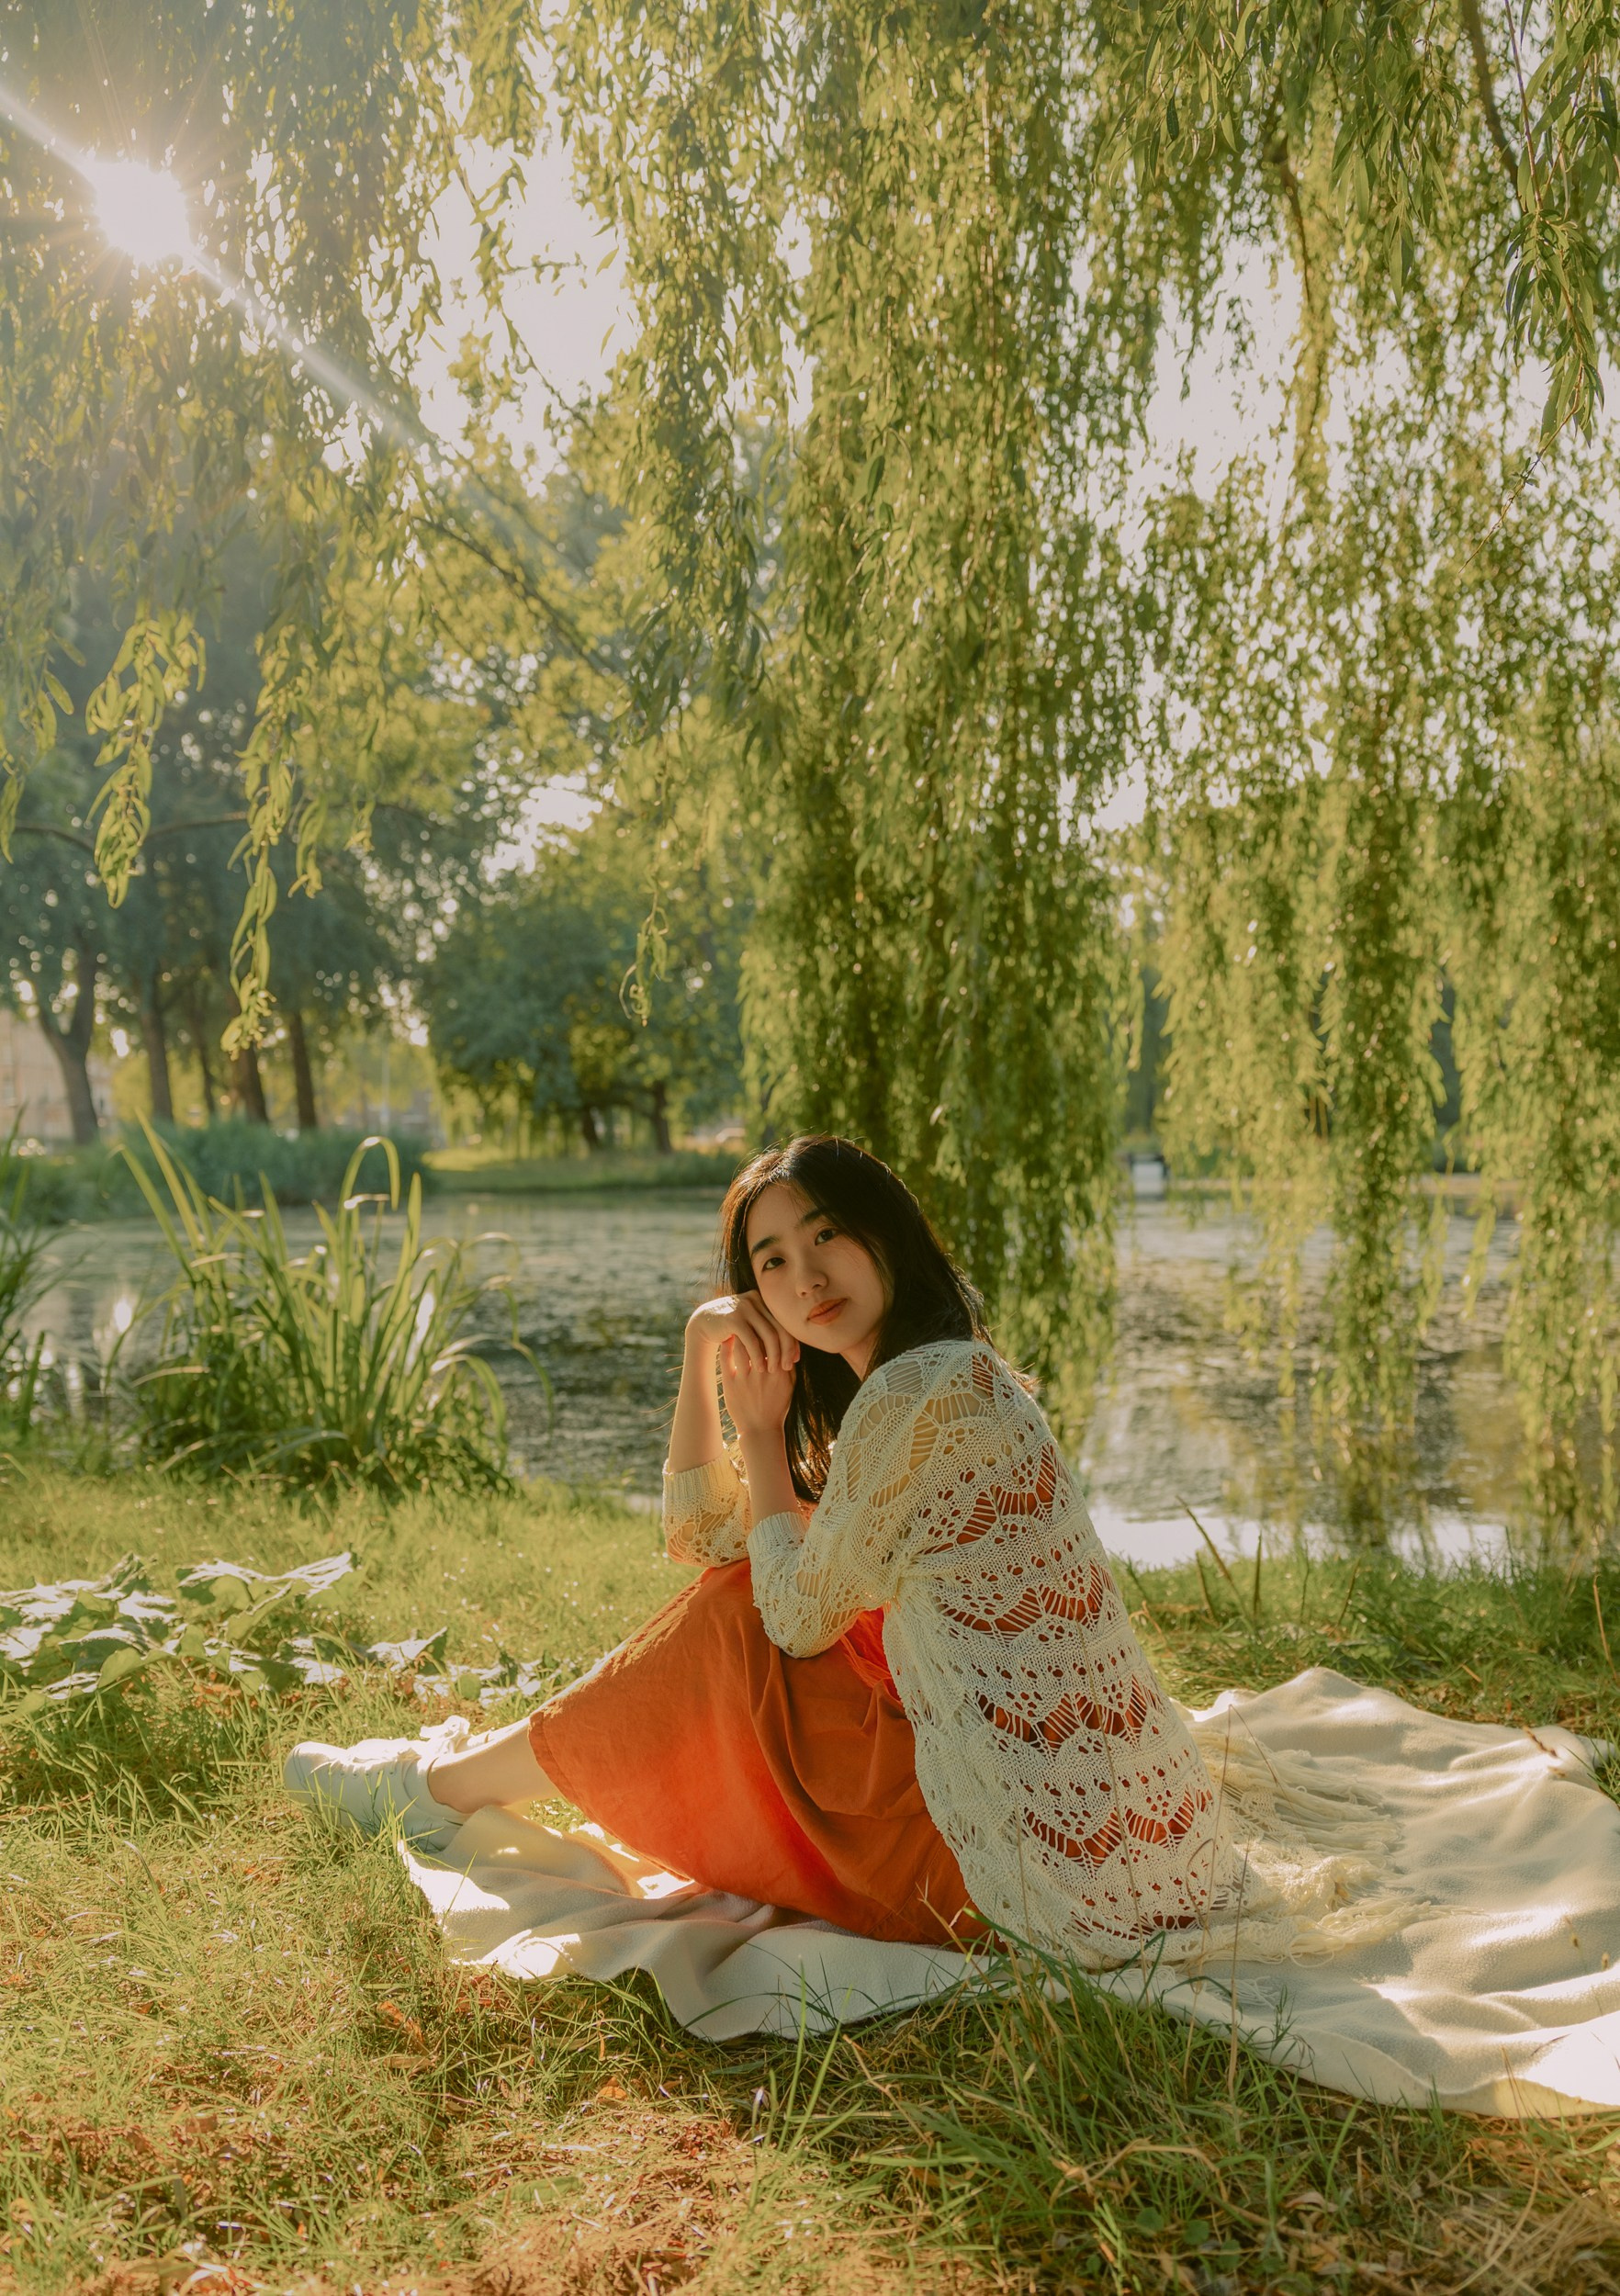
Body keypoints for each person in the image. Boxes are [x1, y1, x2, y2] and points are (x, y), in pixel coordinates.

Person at [284, 1135, 1398, 1968]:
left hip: (1009, 1863)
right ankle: (448, 1782)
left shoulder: (925, 1394)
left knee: (735, 1621)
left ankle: (435, 1789)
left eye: (826, 1233)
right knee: (736, 1592)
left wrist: (762, 1435)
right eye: (770, 1260)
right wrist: (698, 1358)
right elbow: (707, 1536)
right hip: (1063, 1824)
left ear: (887, 1231)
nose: (805, 1275)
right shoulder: (935, 1379)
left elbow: (788, 1612)